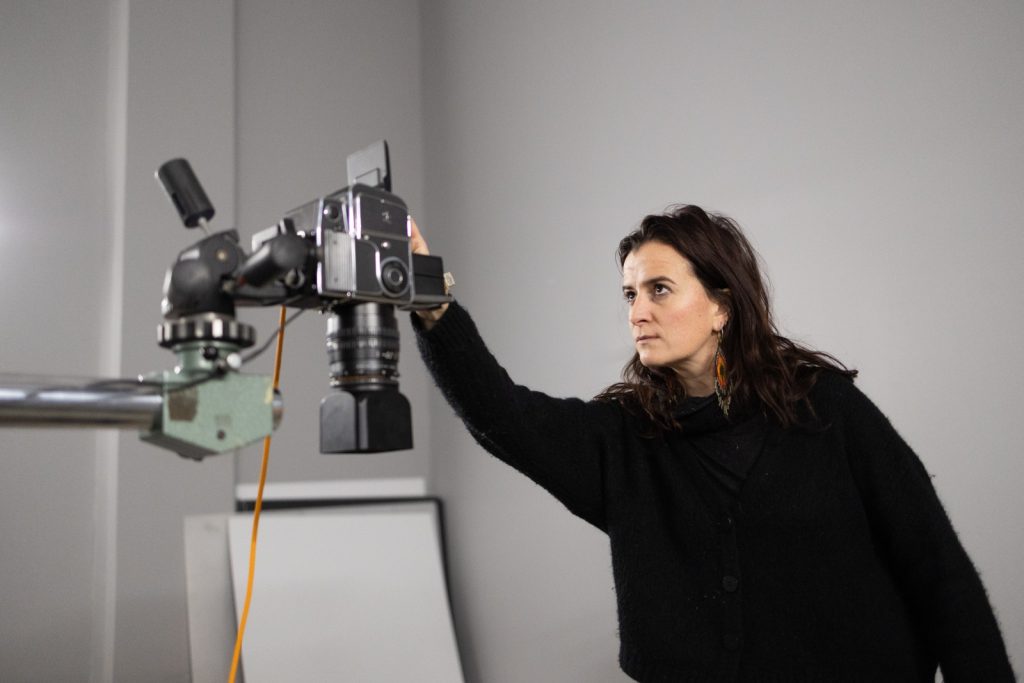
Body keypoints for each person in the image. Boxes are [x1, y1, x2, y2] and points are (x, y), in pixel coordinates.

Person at [409, 205, 1015, 682]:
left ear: (721, 305)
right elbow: (503, 417)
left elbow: (938, 570)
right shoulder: (627, 439)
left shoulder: (826, 410)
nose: (637, 312)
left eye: (659, 290)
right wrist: (431, 301)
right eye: (629, 294)